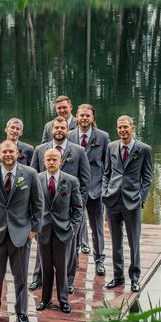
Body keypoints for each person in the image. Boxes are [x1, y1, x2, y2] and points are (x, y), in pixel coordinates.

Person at [0, 140, 44, 322]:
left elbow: (38, 205)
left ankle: (21, 311)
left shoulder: (30, 174)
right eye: (4, 151)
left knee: (20, 276)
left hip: (21, 234)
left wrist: (33, 230)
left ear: (18, 153)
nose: (8, 154)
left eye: (11, 151)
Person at [30, 116, 90, 294]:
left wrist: (76, 214)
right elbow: (33, 178)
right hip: (45, 213)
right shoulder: (40, 150)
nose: (59, 130)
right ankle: (38, 279)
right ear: (51, 129)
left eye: (62, 127)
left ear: (68, 130)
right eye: (56, 127)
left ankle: (68, 281)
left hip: (67, 210)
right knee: (42, 251)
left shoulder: (78, 151)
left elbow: (85, 181)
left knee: (70, 250)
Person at [102, 115, 153, 293]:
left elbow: (147, 178)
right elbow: (106, 173)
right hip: (112, 200)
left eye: (125, 127)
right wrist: (104, 193)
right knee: (116, 242)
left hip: (132, 202)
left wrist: (141, 198)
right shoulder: (111, 147)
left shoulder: (144, 149)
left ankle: (135, 278)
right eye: (119, 127)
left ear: (132, 128)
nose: (122, 130)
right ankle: (117, 277)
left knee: (133, 242)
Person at [36, 148, 83, 314]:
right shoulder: (37, 179)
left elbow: (78, 209)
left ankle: (63, 300)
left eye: (54, 159)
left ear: (60, 161)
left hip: (64, 231)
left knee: (62, 269)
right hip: (43, 231)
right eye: (48, 159)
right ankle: (45, 299)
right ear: (44, 161)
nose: (51, 162)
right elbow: (32, 206)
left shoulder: (71, 181)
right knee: (46, 267)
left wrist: (73, 230)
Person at [67, 104, 110, 277]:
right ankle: (74, 259)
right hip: (74, 190)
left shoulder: (103, 137)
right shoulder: (69, 136)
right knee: (74, 226)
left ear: (92, 118)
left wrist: (105, 189)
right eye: (81, 115)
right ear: (76, 116)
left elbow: (108, 166)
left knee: (97, 227)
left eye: (88, 116)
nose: (84, 118)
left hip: (95, 189)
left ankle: (99, 260)